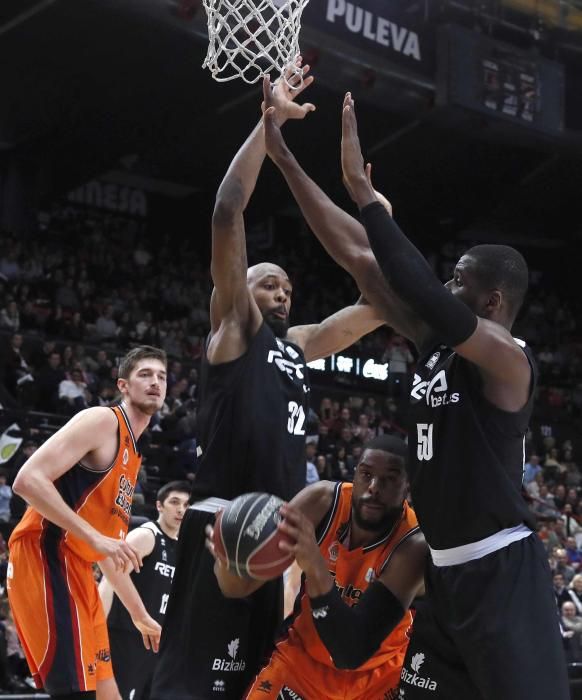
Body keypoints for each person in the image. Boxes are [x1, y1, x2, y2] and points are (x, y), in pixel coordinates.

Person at [261, 90, 568, 698]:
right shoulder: (437, 346)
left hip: (502, 571)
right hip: (442, 567)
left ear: (492, 302)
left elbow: (420, 289)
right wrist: (282, 155)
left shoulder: (511, 363)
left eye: (460, 280)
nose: (446, 286)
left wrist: (368, 198)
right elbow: (359, 256)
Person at [150, 66, 384, 700]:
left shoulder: (299, 345)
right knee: (192, 681)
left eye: (287, 286)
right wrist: (268, 123)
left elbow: (372, 310)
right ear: (241, 290)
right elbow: (228, 210)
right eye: (268, 282)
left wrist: (388, 242)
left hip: (273, 533)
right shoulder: (235, 327)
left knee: (251, 681)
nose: (281, 291)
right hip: (224, 518)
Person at [207, 435, 426, 700]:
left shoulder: (414, 544)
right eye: (366, 474)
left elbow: (350, 651)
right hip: (300, 664)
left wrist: (314, 564)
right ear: (353, 474)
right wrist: (229, 558)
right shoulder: (322, 501)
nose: (374, 487)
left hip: (377, 678)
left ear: (408, 487)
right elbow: (238, 588)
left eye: (389, 479)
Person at [7, 345, 168, 700]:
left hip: (79, 569)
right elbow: (27, 480)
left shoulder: (134, 453)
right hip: (45, 555)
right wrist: (95, 538)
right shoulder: (103, 421)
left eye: (161, 376)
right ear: (123, 386)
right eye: (145, 374)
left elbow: (110, 553)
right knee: (76, 694)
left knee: (106, 693)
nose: (155, 381)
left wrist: (139, 614)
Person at [99, 481, 191, 700]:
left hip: (157, 640)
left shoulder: (182, 546)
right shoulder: (147, 535)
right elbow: (110, 576)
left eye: (186, 505)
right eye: (174, 502)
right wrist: (97, 625)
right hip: (127, 636)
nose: (180, 510)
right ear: (160, 506)